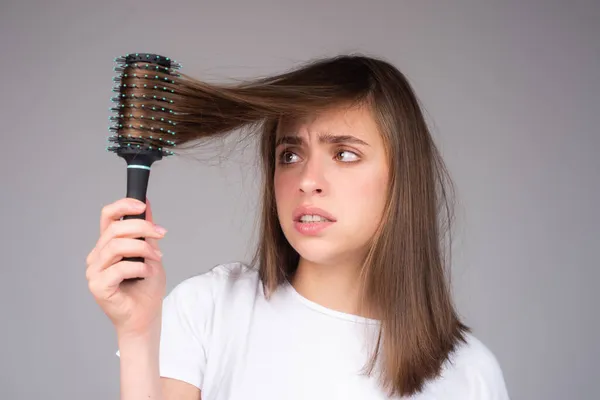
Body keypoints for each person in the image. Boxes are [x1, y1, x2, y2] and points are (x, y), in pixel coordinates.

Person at [86, 54, 510, 399]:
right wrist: (138, 333)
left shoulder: (469, 377)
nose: (307, 180)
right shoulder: (210, 311)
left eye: (344, 154)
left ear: (404, 177)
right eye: (290, 155)